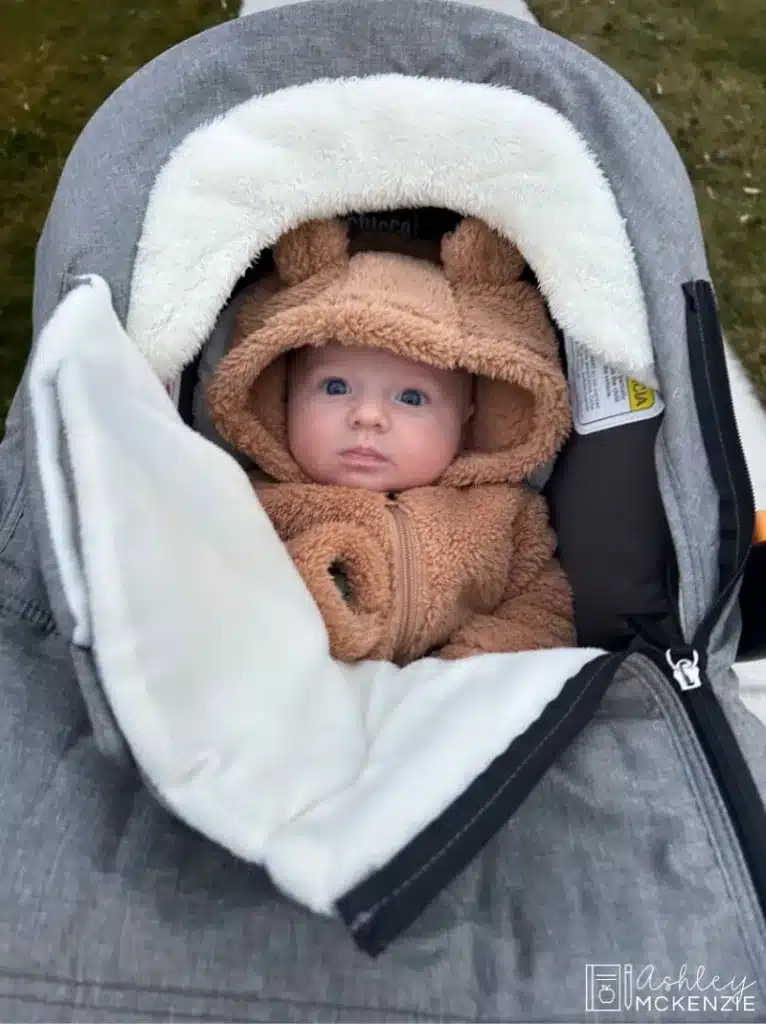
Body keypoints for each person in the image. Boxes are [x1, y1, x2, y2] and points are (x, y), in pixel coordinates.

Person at [207, 215, 575, 664]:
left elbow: (540, 613)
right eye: (335, 387)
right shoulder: (246, 504)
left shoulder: (504, 518)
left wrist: (464, 677)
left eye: (411, 397)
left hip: (448, 707)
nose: (368, 416)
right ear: (283, 398)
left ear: (467, 419)